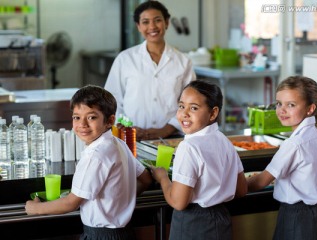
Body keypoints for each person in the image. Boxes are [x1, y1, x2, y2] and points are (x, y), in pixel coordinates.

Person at [25, 85, 153, 240]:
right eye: (76, 117)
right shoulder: (119, 143)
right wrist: (121, 200)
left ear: (110, 121)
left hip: (101, 236)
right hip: (124, 233)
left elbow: (71, 203)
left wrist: (35, 208)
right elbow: (146, 179)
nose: (82, 124)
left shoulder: (96, 155)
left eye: (92, 117)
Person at [247, 76, 317, 240]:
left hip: (296, 217)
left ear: (310, 108)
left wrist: (234, 184)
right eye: (279, 103)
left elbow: (260, 181)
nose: (281, 110)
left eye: (291, 105)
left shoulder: (293, 144)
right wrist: (302, 178)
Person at [150, 80, 248, 240]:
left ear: (213, 113)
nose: (184, 113)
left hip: (193, 224)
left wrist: (162, 178)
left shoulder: (188, 147)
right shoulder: (224, 141)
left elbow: (178, 202)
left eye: (194, 108)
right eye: (181, 106)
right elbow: (241, 189)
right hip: (221, 220)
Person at [104, 0, 196, 141]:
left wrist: (166, 130)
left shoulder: (183, 62)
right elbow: (111, 100)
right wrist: (127, 128)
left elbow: (191, 103)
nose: (152, 26)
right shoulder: (125, 59)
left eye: (157, 20)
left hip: (172, 138)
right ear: (138, 26)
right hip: (130, 137)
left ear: (166, 22)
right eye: (145, 22)